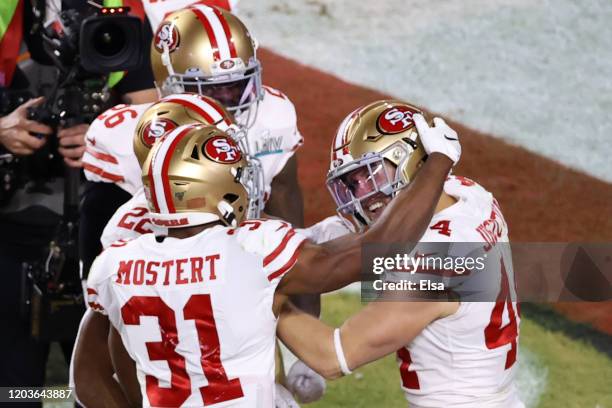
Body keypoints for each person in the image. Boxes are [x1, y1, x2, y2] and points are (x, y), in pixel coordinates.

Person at [72, 115, 460, 406]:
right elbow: (379, 251)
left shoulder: (114, 265)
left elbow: (87, 377)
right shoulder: (253, 248)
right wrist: (439, 160)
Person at [276, 100, 523, 408]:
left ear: (411, 163)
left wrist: (270, 300)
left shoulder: (434, 262)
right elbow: (357, 231)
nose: (362, 194)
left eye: (372, 174)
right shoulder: (470, 195)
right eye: (352, 183)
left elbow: (333, 356)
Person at [0, 0, 156, 399]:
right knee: (14, 392)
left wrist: (109, 139)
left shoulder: (117, 17)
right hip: (10, 232)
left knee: (105, 390)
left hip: (100, 240)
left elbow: (157, 122)